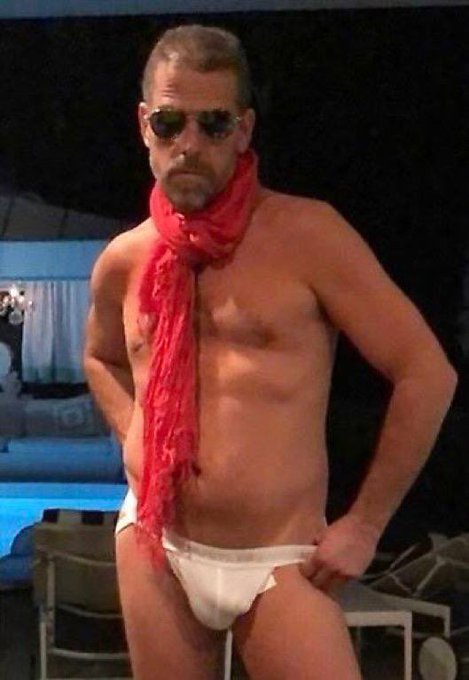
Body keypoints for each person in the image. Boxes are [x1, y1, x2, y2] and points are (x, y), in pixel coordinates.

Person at [83, 24, 457, 680]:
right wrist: (136, 435)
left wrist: (365, 525)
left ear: (244, 129)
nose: (189, 144)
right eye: (170, 123)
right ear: (144, 126)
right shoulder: (125, 258)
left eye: (213, 123)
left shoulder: (308, 236)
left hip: (277, 559)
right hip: (156, 540)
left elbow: (426, 373)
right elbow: (101, 358)